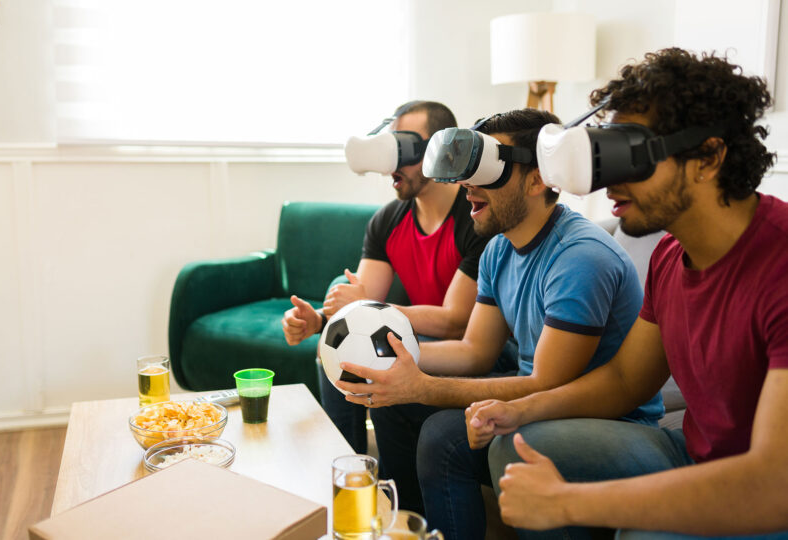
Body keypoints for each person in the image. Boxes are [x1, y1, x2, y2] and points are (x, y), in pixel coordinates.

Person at [468, 48, 788, 539]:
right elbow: (623, 380)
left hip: (764, 489)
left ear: (708, 157)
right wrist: (519, 409)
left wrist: (566, 502)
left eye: (629, 155)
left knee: (640, 534)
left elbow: (772, 486)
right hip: (690, 451)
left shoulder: (779, 266)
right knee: (517, 445)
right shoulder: (668, 256)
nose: (608, 181)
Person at [336, 108, 664, 533]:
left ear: (537, 178)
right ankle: (408, 525)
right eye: (466, 171)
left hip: (602, 417)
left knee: (442, 436)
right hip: (540, 394)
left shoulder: (580, 257)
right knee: (395, 397)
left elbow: (547, 383)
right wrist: (398, 360)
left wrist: (425, 386)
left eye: (487, 170)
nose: (467, 186)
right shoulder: (497, 249)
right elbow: (475, 353)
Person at [281, 100, 491, 454]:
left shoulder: (474, 218)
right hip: (419, 333)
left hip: (470, 346)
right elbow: (359, 311)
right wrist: (318, 322)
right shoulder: (387, 221)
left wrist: (367, 305)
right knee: (332, 349)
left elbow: (457, 322)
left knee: (378, 351)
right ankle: (348, 465)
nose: (391, 166)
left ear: (440, 150)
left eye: (403, 148)